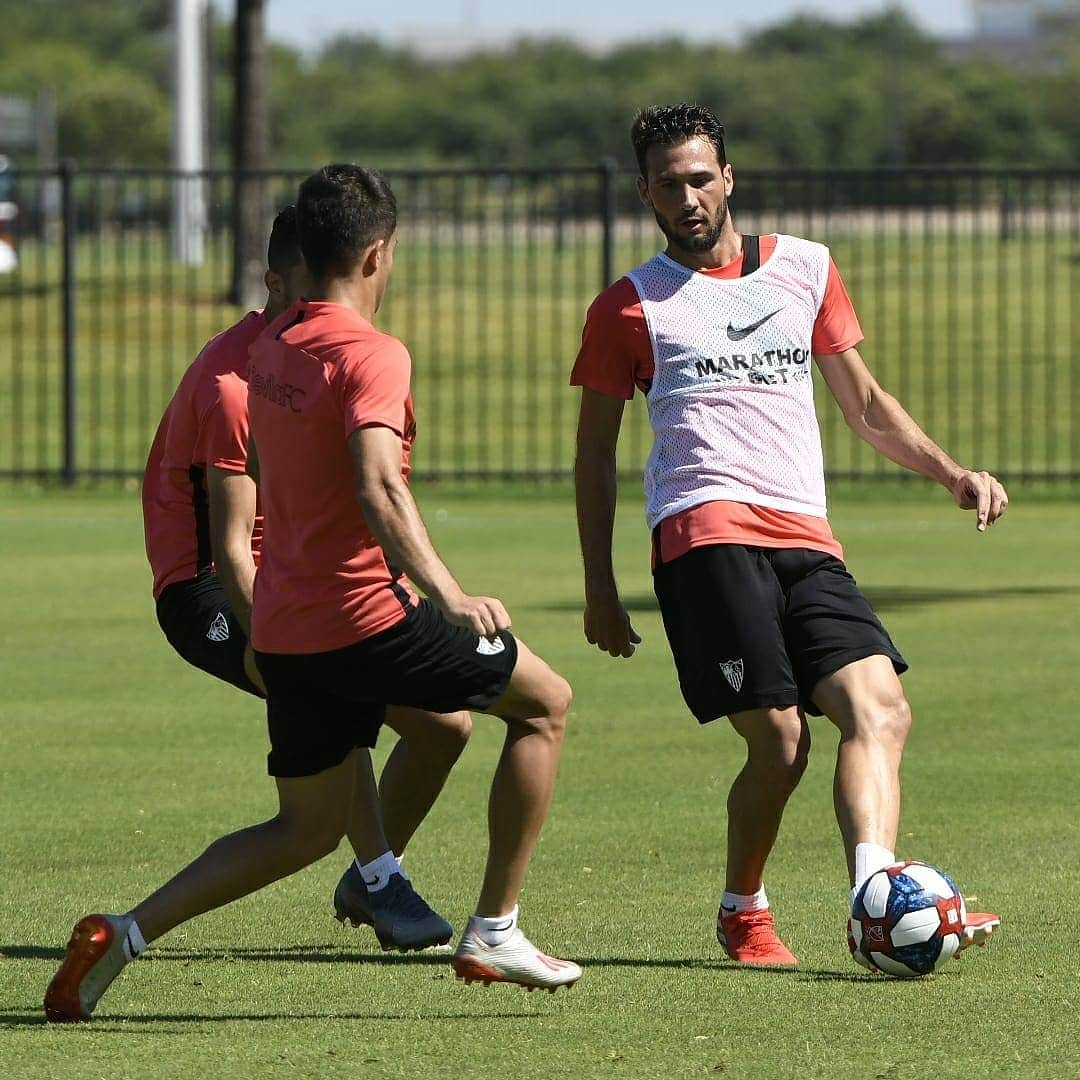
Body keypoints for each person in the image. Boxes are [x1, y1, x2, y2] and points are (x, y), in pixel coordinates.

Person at [44, 165, 580, 1024]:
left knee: (303, 828)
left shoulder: (265, 354)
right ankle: (495, 929)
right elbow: (378, 486)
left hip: (290, 630)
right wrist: (447, 592)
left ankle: (126, 932)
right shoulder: (374, 353)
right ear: (377, 253)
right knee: (545, 704)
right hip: (363, 614)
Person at [572, 103, 1004, 967]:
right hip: (703, 534)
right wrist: (598, 585)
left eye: (701, 177)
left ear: (728, 177)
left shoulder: (806, 269)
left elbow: (867, 406)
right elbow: (593, 457)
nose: (688, 196)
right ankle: (744, 908)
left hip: (808, 536)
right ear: (646, 195)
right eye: (668, 184)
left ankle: (874, 899)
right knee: (780, 740)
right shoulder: (629, 307)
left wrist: (951, 471)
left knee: (880, 710)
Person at [139, 204, 473, 947]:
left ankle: (367, 879)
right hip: (212, 590)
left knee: (447, 727)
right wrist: (293, 647)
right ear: (276, 281)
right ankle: (385, 882)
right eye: (308, 286)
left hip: (294, 576)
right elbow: (231, 549)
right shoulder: (235, 383)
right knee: (325, 691)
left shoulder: (312, 359)